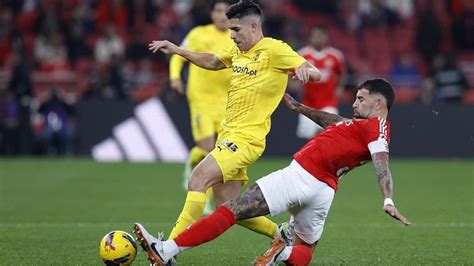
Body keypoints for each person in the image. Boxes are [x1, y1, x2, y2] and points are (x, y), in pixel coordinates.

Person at [133, 78, 411, 265]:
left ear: (378, 104)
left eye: (361, 99)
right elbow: (335, 122)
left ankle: (166, 250)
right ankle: (284, 251)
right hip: (324, 191)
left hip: (299, 176)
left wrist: (387, 199)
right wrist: (299, 107)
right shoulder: (361, 126)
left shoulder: (378, 130)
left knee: (231, 208)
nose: (354, 104)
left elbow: (381, 163)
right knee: (304, 251)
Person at [148, 0, 321, 244]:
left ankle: (168, 247)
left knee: (198, 179)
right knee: (229, 206)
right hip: (229, 136)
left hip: (246, 139)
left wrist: (305, 72)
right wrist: (178, 50)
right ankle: (282, 234)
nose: (231, 36)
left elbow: (315, 71)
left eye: (236, 30)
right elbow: (212, 61)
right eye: (230, 30)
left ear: (253, 27)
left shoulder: (274, 49)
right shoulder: (237, 51)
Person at [169, 0, 234, 213]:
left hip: (227, 101)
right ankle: (203, 196)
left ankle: (193, 164)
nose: (222, 15)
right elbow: (179, 55)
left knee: (220, 151)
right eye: (218, 10)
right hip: (201, 100)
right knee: (208, 148)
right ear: (211, 13)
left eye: (226, 11)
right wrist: (175, 77)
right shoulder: (198, 33)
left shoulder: (236, 37)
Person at [294, 26, 346, 139]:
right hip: (308, 102)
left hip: (328, 102)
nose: (318, 39)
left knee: (328, 131)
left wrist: (340, 87)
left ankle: (326, 156)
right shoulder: (303, 55)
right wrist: (295, 85)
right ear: (311, 38)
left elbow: (342, 74)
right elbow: (292, 72)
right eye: (315, 36)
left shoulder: (335, 56)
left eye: (320, 36)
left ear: (326, 38)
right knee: (309, 136)